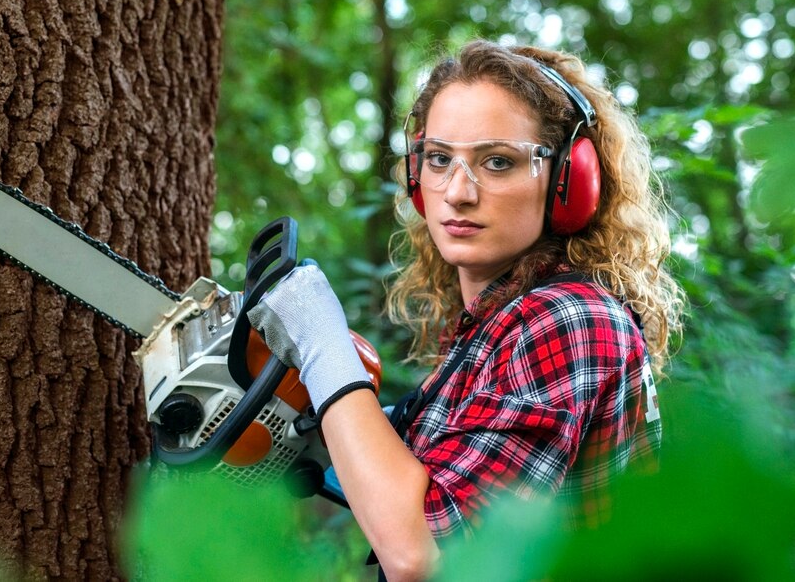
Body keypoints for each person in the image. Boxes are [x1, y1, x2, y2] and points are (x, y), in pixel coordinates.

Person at [249, 40, 684, 581]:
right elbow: (439, 490)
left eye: (497, 162)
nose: (457, 191)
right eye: (438, 159)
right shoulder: (496, 324)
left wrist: (322, 344)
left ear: (571, 180)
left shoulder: (568, 319)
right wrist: (327, 441)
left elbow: (427, 558)